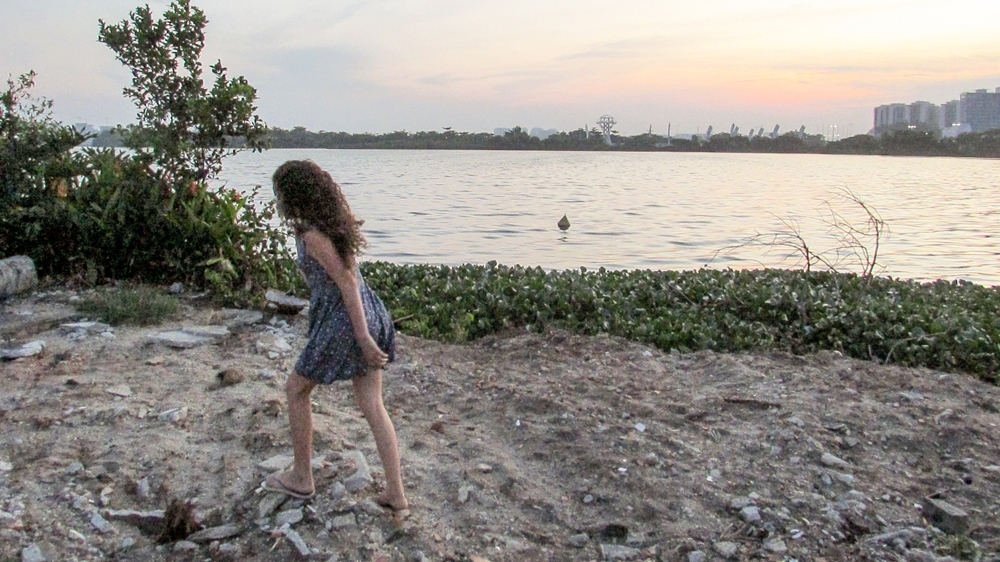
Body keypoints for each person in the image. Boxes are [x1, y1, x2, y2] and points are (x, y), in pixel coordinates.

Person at [264, 160, 408, 520]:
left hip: (346, 320)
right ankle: (396, 494)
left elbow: (345, 281)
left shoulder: (313, 235)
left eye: (280, 193)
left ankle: (301, 477)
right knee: (373, 403)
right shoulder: (333, 226)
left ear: (293, 196)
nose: (278, 200)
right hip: (368, 310)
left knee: (296, 390)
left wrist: (361, 337)